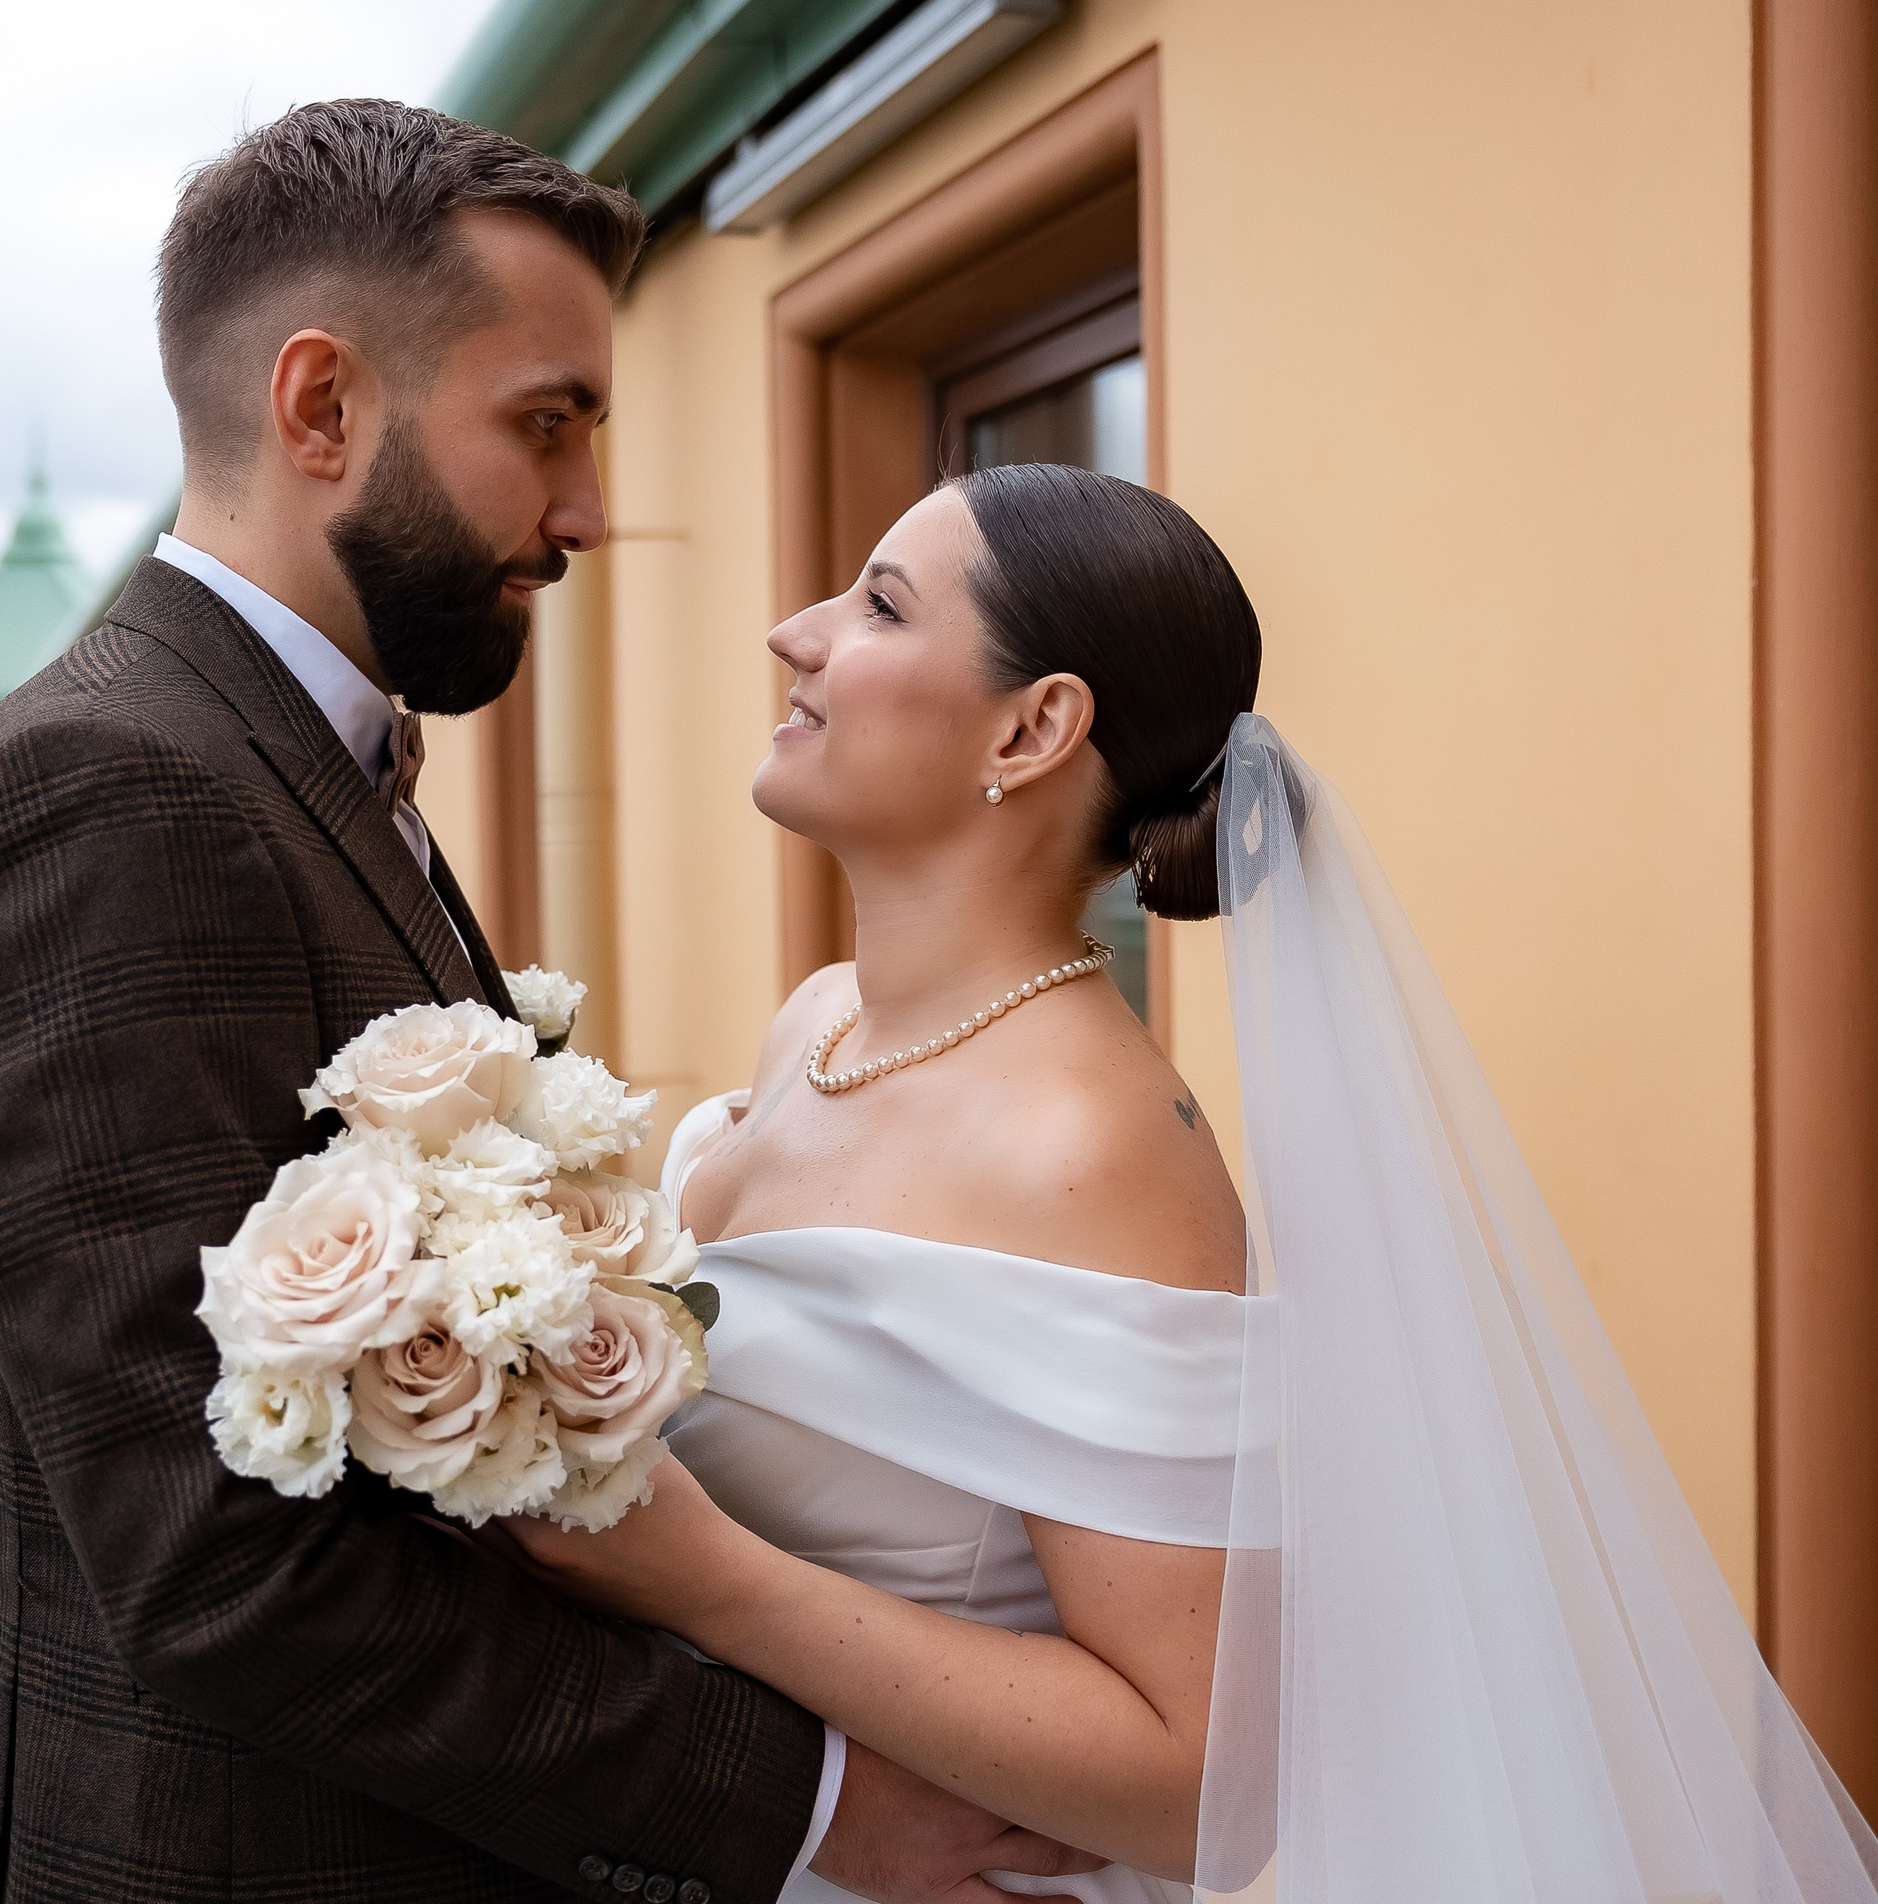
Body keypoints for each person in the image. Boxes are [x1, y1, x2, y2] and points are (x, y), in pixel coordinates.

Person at [0, 101, 1090, 1904]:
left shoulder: (300, 750)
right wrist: (808, 1805)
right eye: (547, 426)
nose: (589, 514)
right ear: (323, 409)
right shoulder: (115, 786)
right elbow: (213, 1563)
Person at [503, 463, 1878, 1904]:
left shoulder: (1090, 1154)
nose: (797, 629)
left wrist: (705, 1578)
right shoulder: (820, 1019)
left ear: (1036, 727)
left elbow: (1196, 1784)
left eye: (880, 605)